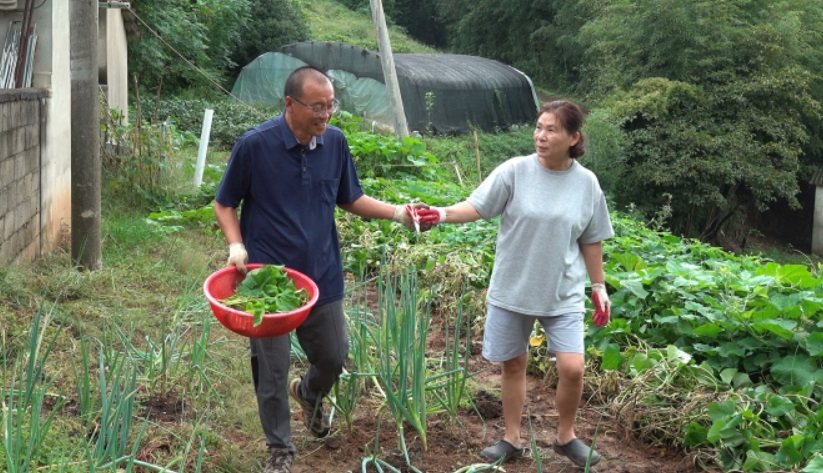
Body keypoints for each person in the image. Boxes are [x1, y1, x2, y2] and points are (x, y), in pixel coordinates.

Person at [214, 65, 425, 473]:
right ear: (290, 104)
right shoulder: (255, 146)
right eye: (317, 107)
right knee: (271, 373)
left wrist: (399, 213)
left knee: (333, 356)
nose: (326, 115)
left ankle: (310, 393)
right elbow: (225, 201)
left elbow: (350, 197)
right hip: (268, 283)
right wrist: (236, 243)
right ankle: (280, 450)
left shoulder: (336, 143)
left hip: (321, 274)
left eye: (331, 106)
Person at [416, 99, 613, 467]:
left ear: (573, 138)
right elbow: (476, 206)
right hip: (513, 288)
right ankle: (511, 437)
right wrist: (440, 214)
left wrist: (599, 287)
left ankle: (565, 436)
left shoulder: (586, 183)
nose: (541, 135)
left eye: (551, 129)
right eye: (539, 127)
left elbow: (592, 237)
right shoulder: (515, 171)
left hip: (562, 292)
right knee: (513, 364)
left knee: (572, 367)